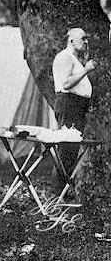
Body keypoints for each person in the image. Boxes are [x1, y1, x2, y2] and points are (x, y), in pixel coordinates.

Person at [52, 28, 97, 192]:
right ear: (71, 41)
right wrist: (86, 69)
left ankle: (63, 193)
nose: (86, 42)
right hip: (69, 104)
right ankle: (56, 195)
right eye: (83, 38)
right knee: (66, 149)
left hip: (77, 106)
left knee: (71, 150)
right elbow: (66, 84)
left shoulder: (73, 59)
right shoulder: (65, 57)